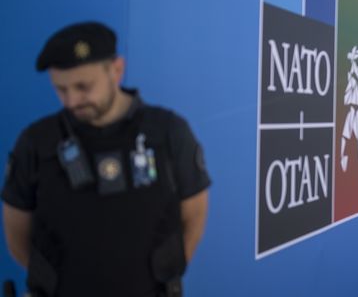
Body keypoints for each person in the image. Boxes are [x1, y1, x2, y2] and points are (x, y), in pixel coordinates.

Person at [2, 22, 210, 297]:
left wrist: (164, 275)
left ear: (116, 70)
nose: (72, 100)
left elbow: (194, 215)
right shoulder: (36, 142)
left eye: (83, 86)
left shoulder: (168, 133)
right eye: (61, 89)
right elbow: (17, 234)